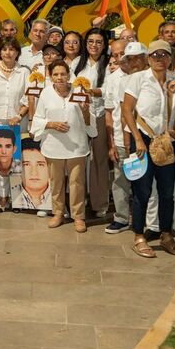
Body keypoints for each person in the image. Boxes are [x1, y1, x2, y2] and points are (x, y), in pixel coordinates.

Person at [122, 40, 175, 257]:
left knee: (167, 192)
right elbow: (127, 111)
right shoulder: (138, 78)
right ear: (148, 58)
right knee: (142, 191)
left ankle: (166, 234)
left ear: (170, 58)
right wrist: (137, 140)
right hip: (144, 141)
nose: (160, 59)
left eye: (164, 55)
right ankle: (139, 236)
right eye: (155, 55)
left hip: (166, 141)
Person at [31, 60, 96, 233]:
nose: (60, 77)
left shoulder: (79, 91)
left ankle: (79, 216)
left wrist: (85, 110)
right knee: (56, 182)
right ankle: (58, 213)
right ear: (50, 76)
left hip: (77, 145)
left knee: (77, 182)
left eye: (63, 74)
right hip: (53, 146)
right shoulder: (45, 93)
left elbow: (90, 123)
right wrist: (51, 124)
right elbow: (37, 119)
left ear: (69, 74)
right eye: (55, 74)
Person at [105, 41, 146, 233]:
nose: (134, 63)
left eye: (138, 58)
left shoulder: (152, 78)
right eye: (129, 59)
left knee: (144, 184)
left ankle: (145, 220)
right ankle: (121, 218)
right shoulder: (115, 79)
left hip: (147, 141)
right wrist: (113, 143)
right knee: (121, 180)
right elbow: (114, 113)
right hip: (123, 142)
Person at [75, 28, 111, 215]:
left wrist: (91, 92)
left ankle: (100, 203)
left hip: (98, 115)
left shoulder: (109, 65)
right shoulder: (77, 64)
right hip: (78, 116)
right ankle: (77, 202)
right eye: (90, 41)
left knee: (99, 160)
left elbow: (108, 90)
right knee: (77, 160)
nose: (94, 45)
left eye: (98, 42)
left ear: (104, 45)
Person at [0, 127, 20, 212]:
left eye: (8, 146)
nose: (3, 151)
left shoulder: (18, 164)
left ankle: (15, 201)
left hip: (15, 122)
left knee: (17, 177)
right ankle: (3, 200)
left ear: (14, 148)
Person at [12, 138, 51, 210]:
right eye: (26, 165)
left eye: (40, 165)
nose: (34, 172)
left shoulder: (57, 197)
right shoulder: (13, 196)